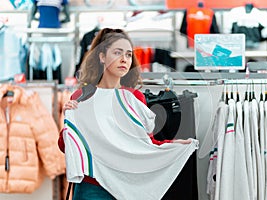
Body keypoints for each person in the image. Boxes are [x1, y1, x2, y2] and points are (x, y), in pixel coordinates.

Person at [59, 28, 198, 199]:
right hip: (92, 187)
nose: (124, 59)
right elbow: (66, 147)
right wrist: (68, 122)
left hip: (126, 186)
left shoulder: (134, 98)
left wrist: (173, 145)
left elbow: (145, 144)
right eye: (118, 53)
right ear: (102, 57)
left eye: (128, 55)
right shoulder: (82, 97)